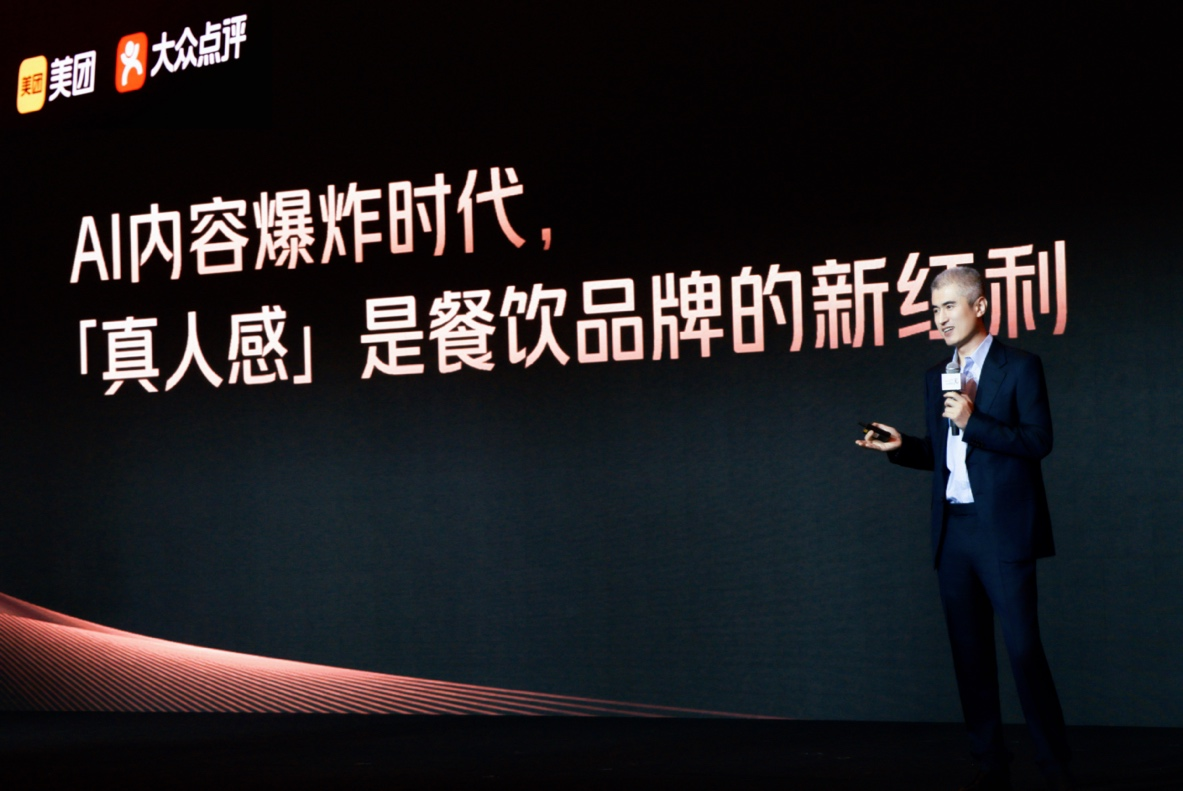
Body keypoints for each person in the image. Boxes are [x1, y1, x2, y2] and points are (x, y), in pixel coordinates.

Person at [856, 266, 1073, 791]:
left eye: (949, 306)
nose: (941, 318)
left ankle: (1055, 768)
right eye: (934, 310)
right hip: (953, 533)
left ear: (979, 306)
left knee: (1023, 653)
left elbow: (1037, 441)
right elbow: (946, 456)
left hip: (1002, 532)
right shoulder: (937, 375)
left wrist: (975, 422)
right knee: (970, 657)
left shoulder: (1020, 366)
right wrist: (903, 447)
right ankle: (990, 764)